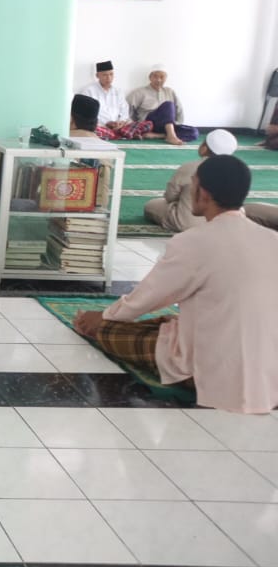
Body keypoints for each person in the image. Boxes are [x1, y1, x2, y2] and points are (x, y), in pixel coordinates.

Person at [73, 155, 278, 414]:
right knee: (168, 322)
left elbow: (148, 297)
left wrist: (103, 317)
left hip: (211, 367)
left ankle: (104, 327)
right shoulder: (271, 239)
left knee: (111, 332)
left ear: (202, 193)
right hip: (270, 367)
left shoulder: (194, 241)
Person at [144, 129, 237, 233]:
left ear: (204, 148)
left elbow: (170, 196)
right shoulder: (235, 171)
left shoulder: (190, 167)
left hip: (186, 222)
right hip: (222, 223)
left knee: (151, 205)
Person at [80, 61, 152, 141]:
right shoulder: (88, 91)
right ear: (97, 76)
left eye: (111, 74)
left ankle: (118, 134)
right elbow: (87, 115)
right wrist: (107, 123)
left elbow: (124, 109)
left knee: (148, 124)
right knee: (91, 130)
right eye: (105, 75)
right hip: (101, 126)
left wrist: (120, 122)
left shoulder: (118, 91)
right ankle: (124, 135)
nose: (109, 78)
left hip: (120, 127)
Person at [127, 66, 198, 145]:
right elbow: (128, 108)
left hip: (166, 126)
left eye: (162, 77)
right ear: (150, 78)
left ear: (166, 78)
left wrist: (176, 124)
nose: (158, 80)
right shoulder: (139, 92)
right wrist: (135, 125)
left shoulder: (170, 91)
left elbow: (179, 109)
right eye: (155, 76)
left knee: (193, 132)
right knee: (168, 105)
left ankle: (160, 135)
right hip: (149, 124)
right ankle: (171, 136)